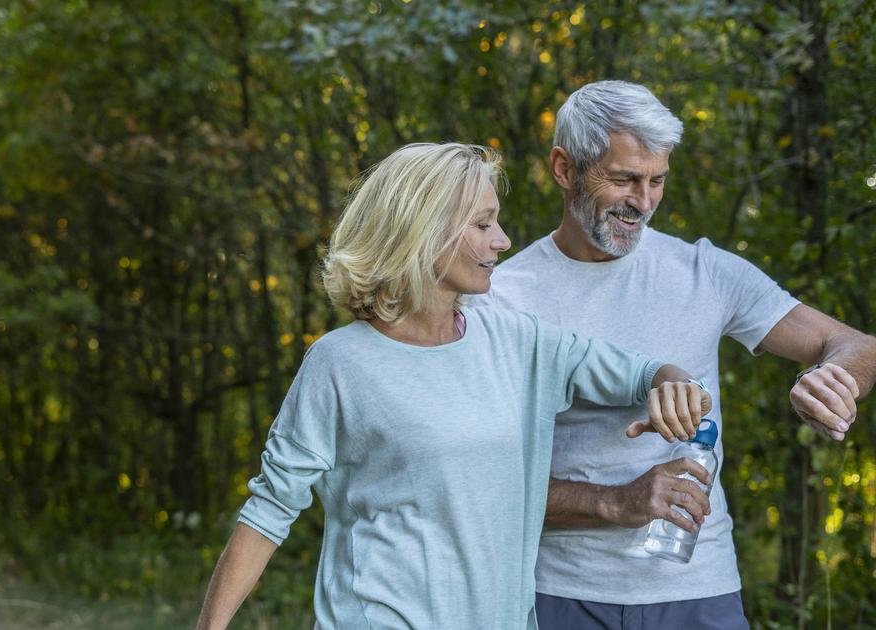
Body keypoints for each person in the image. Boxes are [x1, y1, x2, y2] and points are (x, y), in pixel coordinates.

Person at [195, 142, 712, 629]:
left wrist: (674, 384)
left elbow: (647, 372)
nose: (503, 240)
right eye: (482, 224)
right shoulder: (339, 363)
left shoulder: (521, 342)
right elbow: (268, 513)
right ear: (422, 232)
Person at [471, 80, 876, 628]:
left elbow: (857, 346)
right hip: (554, 594)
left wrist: (833, 377)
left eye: (657, 180)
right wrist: (616, 503)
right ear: (564, 169)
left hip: (699, 590)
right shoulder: (500, 298)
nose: (643, 202)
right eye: (623, 179)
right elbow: (478, 483)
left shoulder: (705, 273)